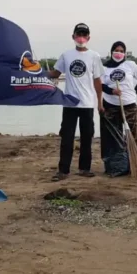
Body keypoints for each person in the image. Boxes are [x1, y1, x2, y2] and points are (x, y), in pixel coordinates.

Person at [48, 23, 104, 181]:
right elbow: (55, 73)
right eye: (78, 34)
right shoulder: (66, 55)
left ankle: (84, 168)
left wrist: (100, 102)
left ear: (88, 37)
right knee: (67, 138)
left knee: (87, 137)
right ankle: (63, 170)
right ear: (73, 36)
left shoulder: (94, 56)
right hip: (69, 103)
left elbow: (98, 81)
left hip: (87, 104)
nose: (81, 37)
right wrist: (37, 72)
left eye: (84, 34)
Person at [100, 41, 137, 173]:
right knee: (114, 136)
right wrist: (111, 91)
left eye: (121, 51)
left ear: (125, 53)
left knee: (132, 133)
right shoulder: (105, 68)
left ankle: (134, 161)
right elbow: (100, 85)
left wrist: (135, 90)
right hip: (110, 105)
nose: (119, 53)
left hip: (129, 105)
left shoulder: (130, 65)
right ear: (111, 52)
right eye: (116, 50)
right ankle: (116, 164)